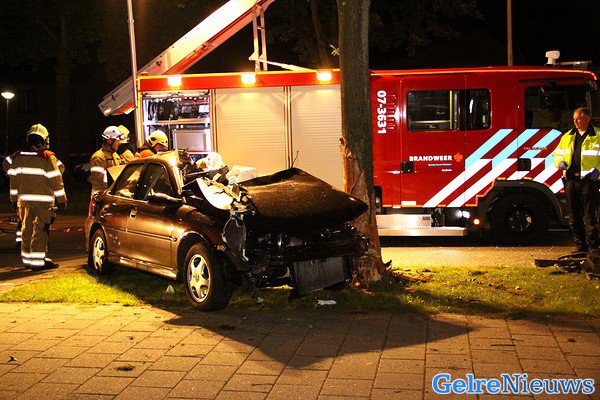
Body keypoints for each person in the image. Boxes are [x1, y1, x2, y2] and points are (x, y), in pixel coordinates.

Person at [6, 124, 67, 270]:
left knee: (26, 231)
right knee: (40, 232)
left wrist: (14, 200)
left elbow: (13, 181)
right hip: (43, 204)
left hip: (23, 203)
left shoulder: (17, 157)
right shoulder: (47, 158)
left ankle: (27, 260)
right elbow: (56, 180)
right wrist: (62, 200)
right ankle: (38, 263)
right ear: (44, 139)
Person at [553, 107, 600, 253]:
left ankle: (593, 247)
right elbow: (557, 153)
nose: (575, 122)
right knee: (574, 215)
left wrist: (598, 171)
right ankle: (580, 246)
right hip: (571, 180)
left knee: (590, 215)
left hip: (589, 181)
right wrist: (560, 162)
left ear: (587, 118)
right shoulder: (568, 136)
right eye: (574, 119)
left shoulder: (597, 135)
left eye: (578, 118)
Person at [90, 126, 125, 196]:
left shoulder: (115, 155)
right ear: (109, 140)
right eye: (117, 140)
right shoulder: (98, 157)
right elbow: (98, 179)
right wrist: (116, 181)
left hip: (111, 194)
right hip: (100, 196)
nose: (119, 143)